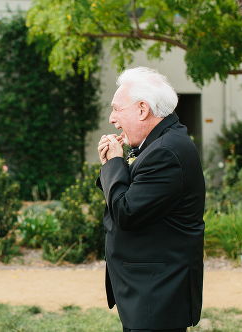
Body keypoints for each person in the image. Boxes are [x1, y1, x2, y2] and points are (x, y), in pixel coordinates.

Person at [97, 67, 205, 332]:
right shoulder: (159, 143)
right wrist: (114, 164)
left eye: (117, 109)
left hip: (156, 294)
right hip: (150, 292)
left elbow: (126, 212)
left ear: (143, 109)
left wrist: (113, 164)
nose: (112, 119)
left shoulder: (166, 151)